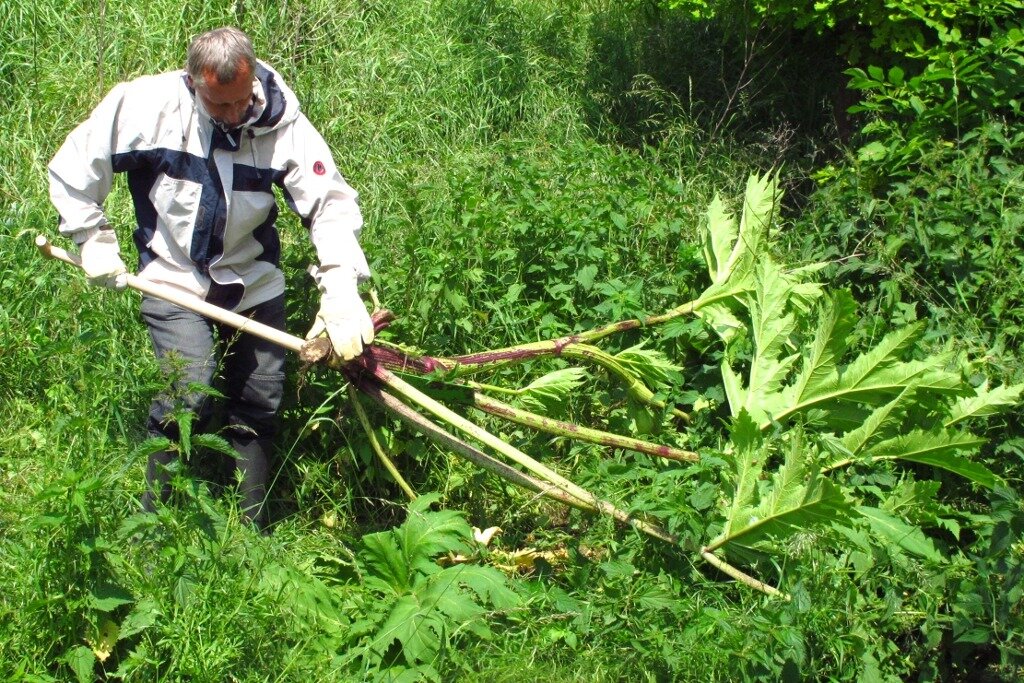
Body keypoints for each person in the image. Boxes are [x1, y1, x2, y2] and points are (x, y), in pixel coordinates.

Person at [47, 26, 374, 529]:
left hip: (254, 279)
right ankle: (153, 526)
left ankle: (252, 529)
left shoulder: (282, 123)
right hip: (171, 277)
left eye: (240, 102)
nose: (231, 116)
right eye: (217, 105)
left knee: (261, 398)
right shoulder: (144, 107)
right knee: (189, 392)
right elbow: (73, 170)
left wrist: (341, 288)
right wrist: (92, 239)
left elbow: (329, 205)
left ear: (253, 79)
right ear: (192, 81)